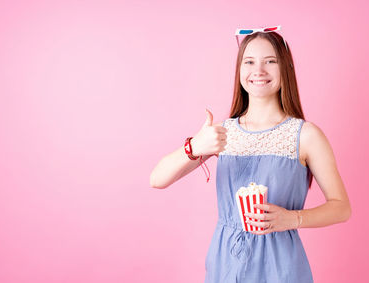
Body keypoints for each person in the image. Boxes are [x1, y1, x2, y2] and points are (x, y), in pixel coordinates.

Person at [149, 26, 352, 283]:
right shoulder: (222, 133)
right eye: (249, 62)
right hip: (225, 263)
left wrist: (292, 218)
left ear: (285, 68)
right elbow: (157, 179)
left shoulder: (306, 136)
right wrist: (195, 146)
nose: (259, 71)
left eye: (270, 61)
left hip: (281, 266)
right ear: (240, 70)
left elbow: (342, 208)